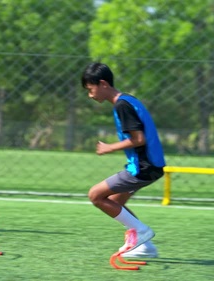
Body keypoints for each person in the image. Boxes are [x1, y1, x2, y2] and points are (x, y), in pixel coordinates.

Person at [81, 62, 166, 258]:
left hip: (143, 167)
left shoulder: (122, 105)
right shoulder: (129, 100)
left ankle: (142, 232)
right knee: (114, 201)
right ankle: (145, 247)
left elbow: (138, 139)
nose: (90, 94)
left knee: (95, 195)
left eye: (90, 89)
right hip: (151, 165)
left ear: (102, 84)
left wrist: (108, 147)